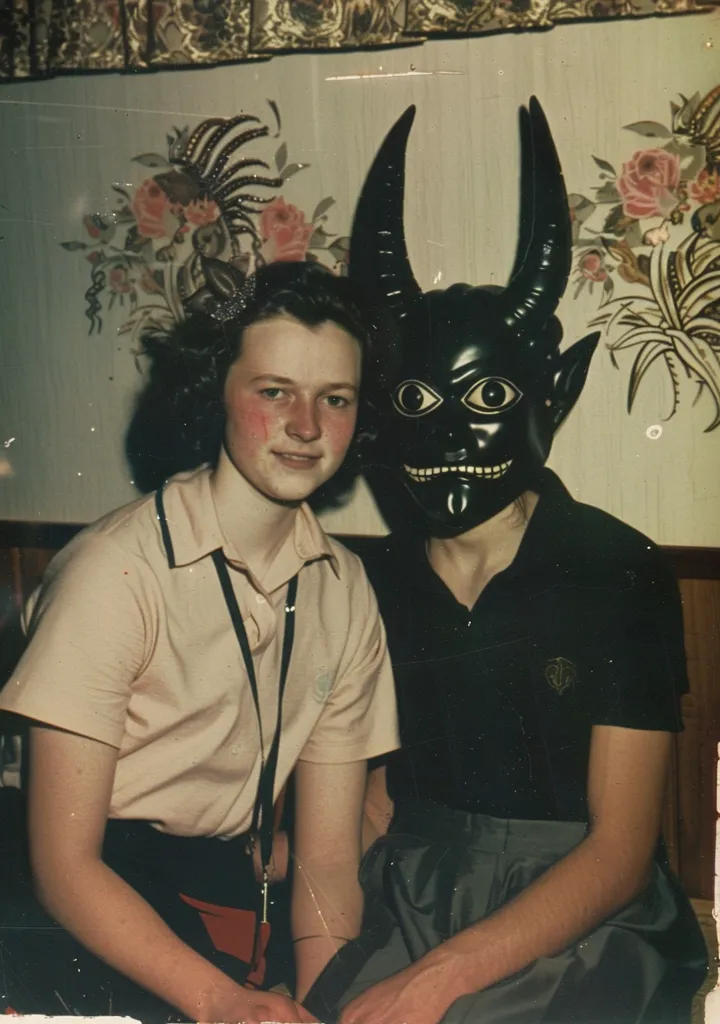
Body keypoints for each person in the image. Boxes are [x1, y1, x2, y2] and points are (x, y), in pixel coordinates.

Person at [304, 100, 708, 1024]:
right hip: (411, 893)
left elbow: (617, 852)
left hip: (579, 920)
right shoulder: (371, 580)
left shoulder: (617, 568)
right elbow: (369, 802)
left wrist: (435, 981)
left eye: (487, 394)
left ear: (552, 396)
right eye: (416, 397)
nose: (449, 432)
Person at [0, 259, 399, 1023]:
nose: (307, 426)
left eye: (335, 399)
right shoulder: (113, 570)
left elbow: (325, 865)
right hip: (73, 897)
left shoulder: (345, 592)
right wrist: (221, 1003)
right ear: (215, 389)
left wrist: (316, 1007)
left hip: (220, 888)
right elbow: (62, 868)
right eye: (273, 391)